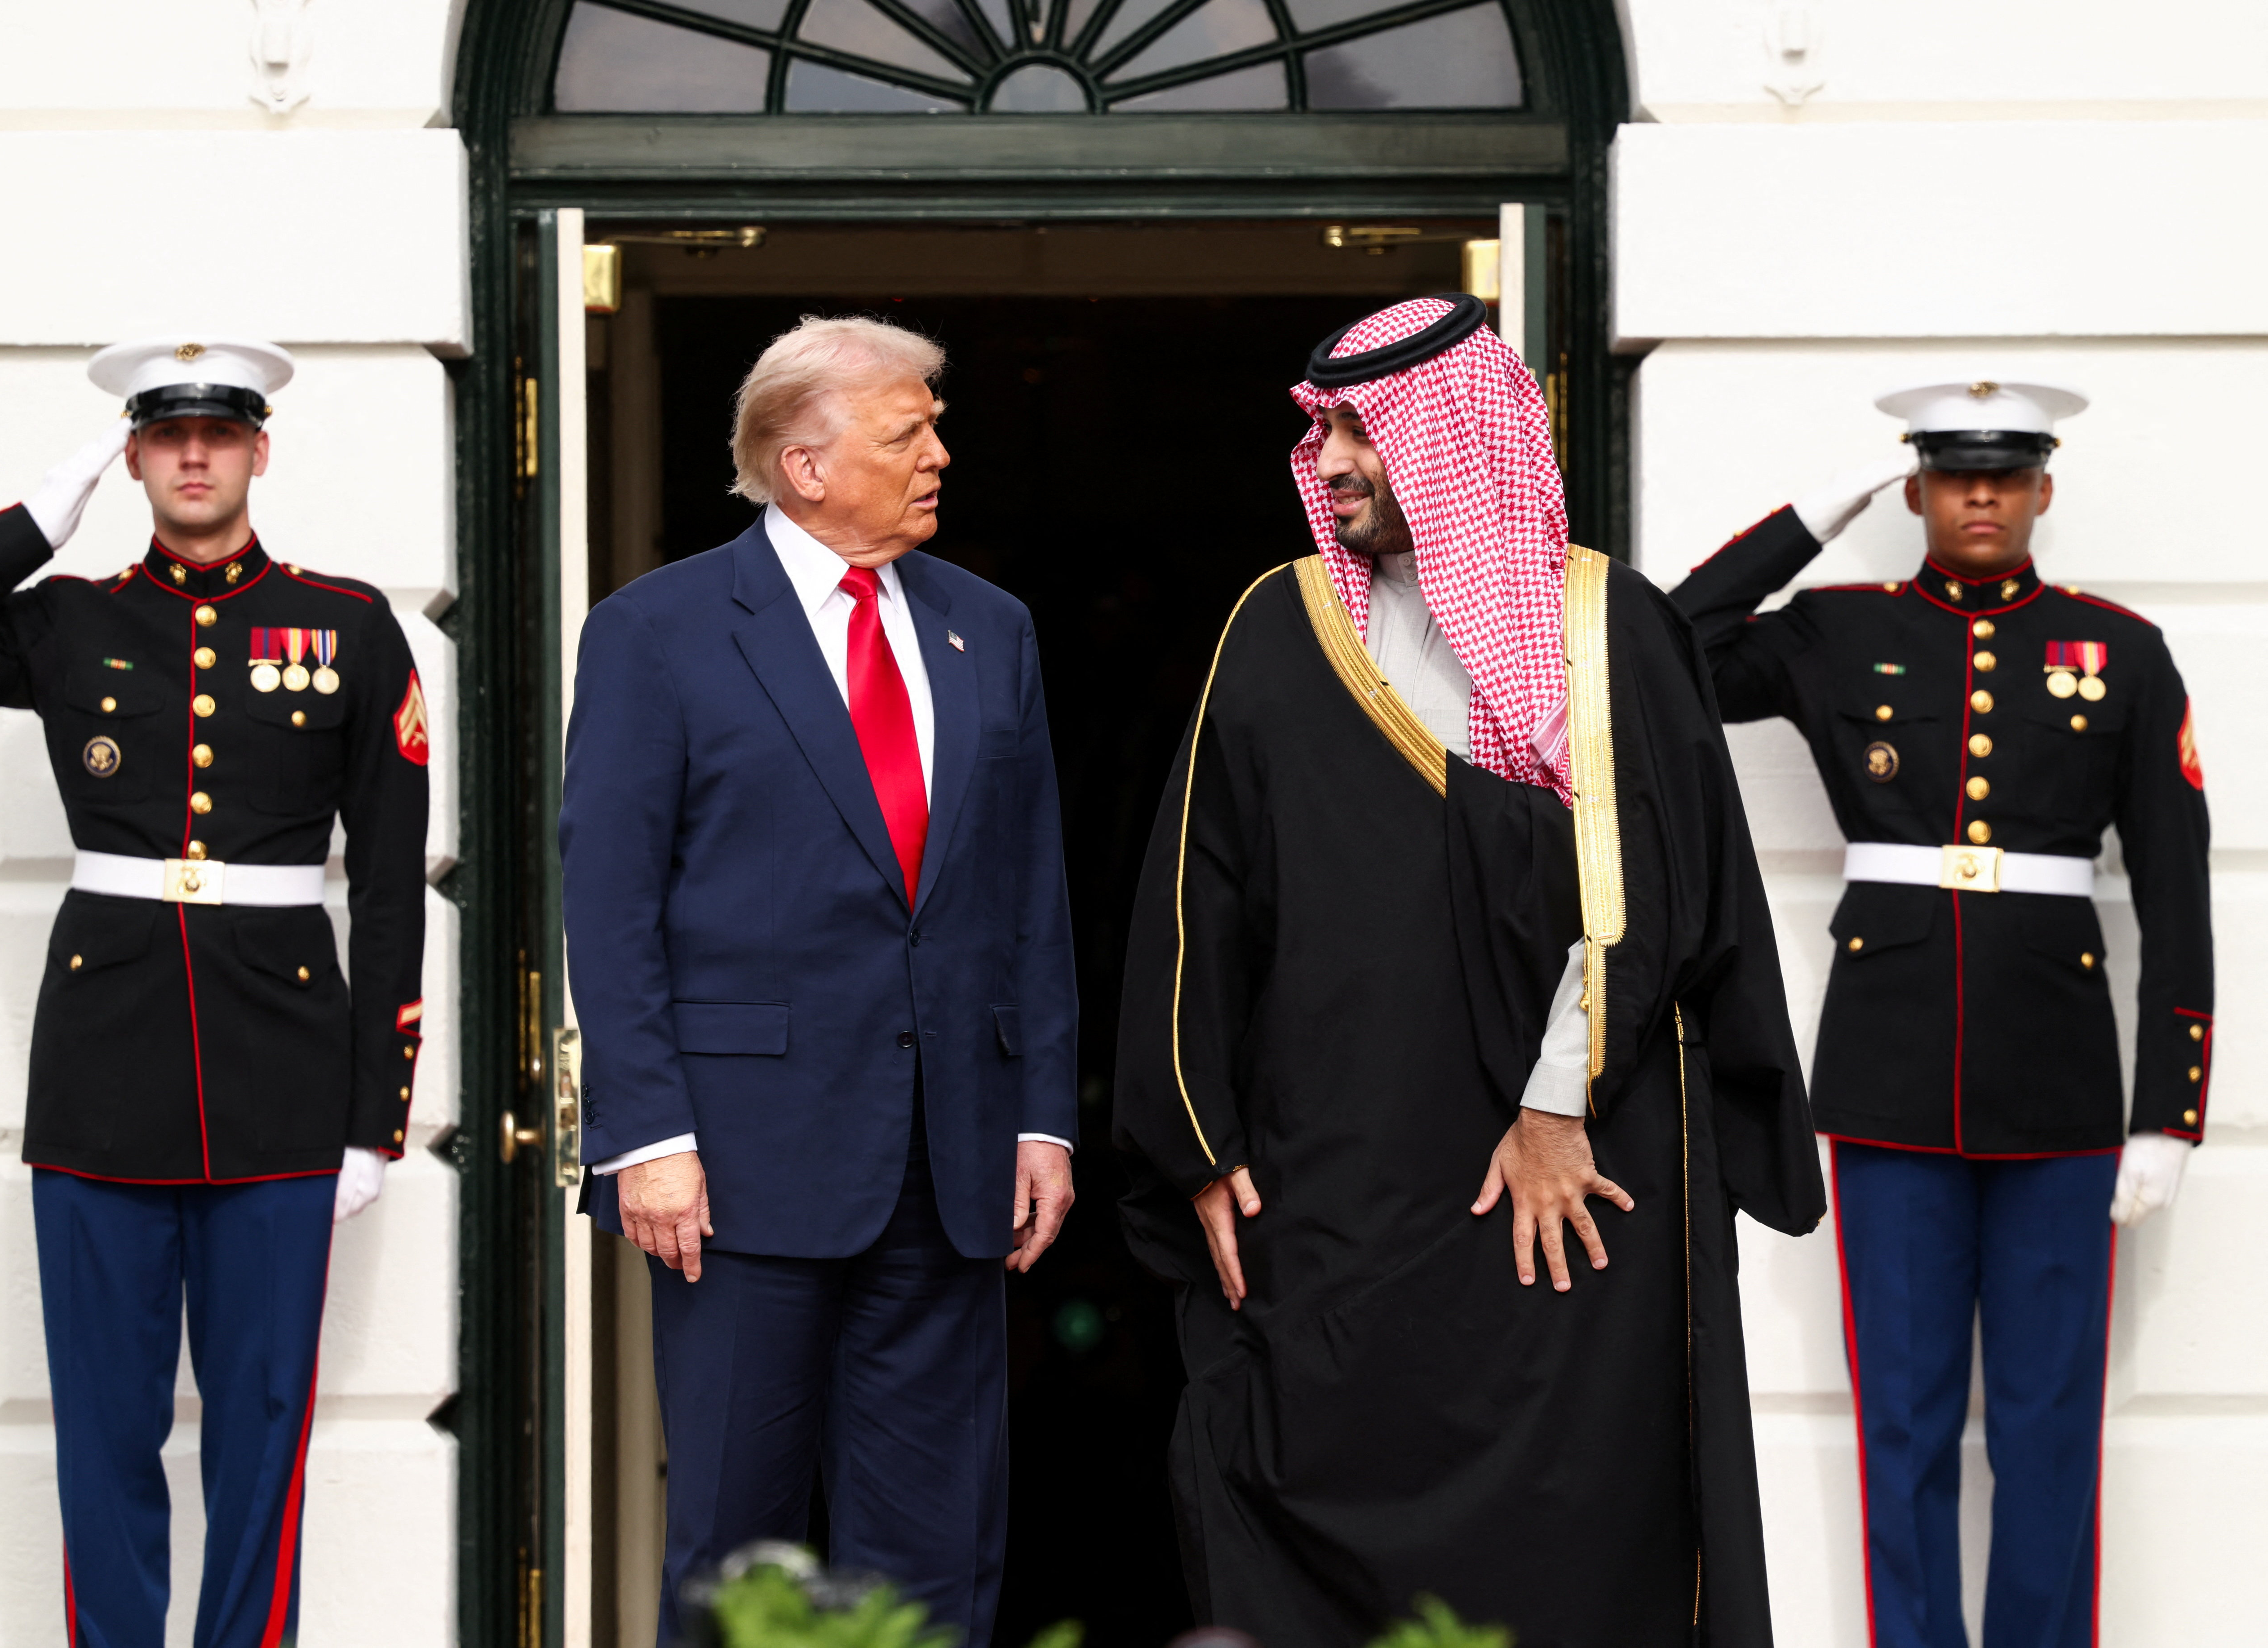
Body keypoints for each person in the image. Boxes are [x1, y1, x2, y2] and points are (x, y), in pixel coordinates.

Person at [1112, 295, 1826, 1648]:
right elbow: (1195, 903)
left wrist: (1555, 1103)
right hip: (1341, 1178)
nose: (1327, 466)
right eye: (1319, 432)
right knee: (1292, 1474)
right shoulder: (1278, 624)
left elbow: (1659, 895)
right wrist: (1197, 1146)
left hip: (1565, 1179)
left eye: (1360, 433)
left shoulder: (1607, 628)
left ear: (1450, 436)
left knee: (1578, 1520)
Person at [0, 338, 429, 1645]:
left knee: (264, 1426)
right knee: (103, 1424)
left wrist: (375, 1115)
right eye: (164, 436)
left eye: (218, 432)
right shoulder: (67, 619)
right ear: (135, 454)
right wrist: (41, 515)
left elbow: (388, 887)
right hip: (103, 1068)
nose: (194, 455)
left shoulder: (351, 626)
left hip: (284, 1077)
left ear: (261, 449)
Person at [560, 315, 1078, 1647]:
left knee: (936, 1548)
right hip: (735, 1170)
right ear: (802, 463)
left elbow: (1027, 891)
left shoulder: (990, 626)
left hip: (951, 1165)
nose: (939, 455)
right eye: (908, 432)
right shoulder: (656, 631)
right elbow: (609, 904)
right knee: (737, 1545)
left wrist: (1040, 1115)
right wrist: (648, 1136)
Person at [1669, 381, 2210, 1648]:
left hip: (2064, 1088)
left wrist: (2165, 1116)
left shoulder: (2118, 652)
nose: (1981, 494)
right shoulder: (1834, 633)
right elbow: (1664, 643)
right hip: (1891, 1076)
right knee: (1901, 1419)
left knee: (2046, 1424)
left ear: (2042, 490)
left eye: (2007, 474)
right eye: (1955, 472)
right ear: (1912, 489)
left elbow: (2177, 894)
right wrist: (1807, 518)